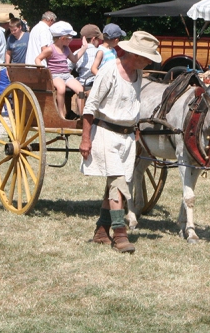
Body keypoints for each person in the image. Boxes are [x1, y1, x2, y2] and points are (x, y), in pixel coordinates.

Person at [79, 31, 162, 253]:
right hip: (106, 133)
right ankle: (120, 234)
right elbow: (90, 107)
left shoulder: (138, 75)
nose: (148, 62)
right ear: (134, 54)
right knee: (118, 184)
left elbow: (132, 105)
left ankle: (100, 231)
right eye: (147, 57)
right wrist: (85, 139)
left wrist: (135, 130)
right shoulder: (109, 71)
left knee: (116, 184)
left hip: (126, 138)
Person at [34, 21, 88, 119]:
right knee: (61, 89)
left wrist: (84, 48)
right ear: (62, 38)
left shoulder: (66, 48)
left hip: (66, 75)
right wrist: (41, 68)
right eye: (70, 38)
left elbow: (74, 59)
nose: (71, 40)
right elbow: (38, 58)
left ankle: (82, 115)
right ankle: (61, 114)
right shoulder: (50, 49)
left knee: (80, 90)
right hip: (55, 75)